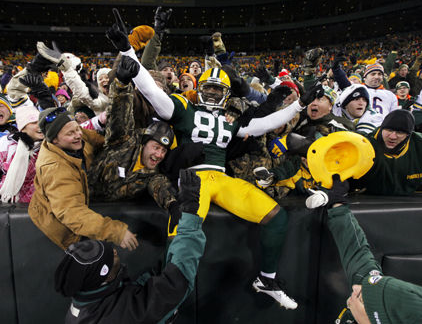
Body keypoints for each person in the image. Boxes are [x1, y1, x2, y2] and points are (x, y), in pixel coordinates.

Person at [106, 18, 310, 309]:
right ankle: (163, 296)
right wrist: (126, 50)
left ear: (226, 94)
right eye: (208, 88)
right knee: (182, 236)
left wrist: (298, 106)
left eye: (217, 90)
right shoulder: (182, 107)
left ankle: (267, 279)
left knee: (276, 218)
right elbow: (151, 90)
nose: (212, 94)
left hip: (222, 178)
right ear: (201, 88)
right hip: (192, 181)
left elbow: (264, 123)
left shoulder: (231, 121)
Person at [54, 169, 206, 324]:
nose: (114, 251)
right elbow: (176, 281)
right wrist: (190, 213)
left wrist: (174, 239)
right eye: (111, 256)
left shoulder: (89, 299)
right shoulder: (120, 316)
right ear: (105, 276)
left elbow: (141, 290)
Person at [316, 175, 422, 324]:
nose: (356, 288)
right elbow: (357, 253)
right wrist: (338, 204)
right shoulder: (371, 298)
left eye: (362, 298)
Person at [28, 107, 138, 251]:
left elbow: (101, 141)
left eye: (77, 129)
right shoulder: (55, 169)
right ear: (55, 140)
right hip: (68, 227)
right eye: (70, 133)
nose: (78, 135)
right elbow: (72, 213)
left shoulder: (75, 135)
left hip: (82, 199)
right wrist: (115, 231)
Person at [88, 56, 180, 226]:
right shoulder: (123, 141)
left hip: (110, 219)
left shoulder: (151, 174)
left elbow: (159, 185)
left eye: (163, 150)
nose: (159, 154)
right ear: (144, 143)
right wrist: (122, 84)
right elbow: (119, 114)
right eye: (156, 147)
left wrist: (172, 205)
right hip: (86, 203)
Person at [354, 109, 422, 195]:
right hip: (366, 201)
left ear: (408, 135)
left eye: (400, 132)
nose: (392, 136)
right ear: (381, 128)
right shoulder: (364, 143)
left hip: (408, 203)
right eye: (389, 130)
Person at [0, 105, 43, 203]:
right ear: (23, 128)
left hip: (39, 206)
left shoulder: (50, 146)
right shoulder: (6, 145)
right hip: (9, 204)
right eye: (34, 122)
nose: (39, 125)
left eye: (40, 121)